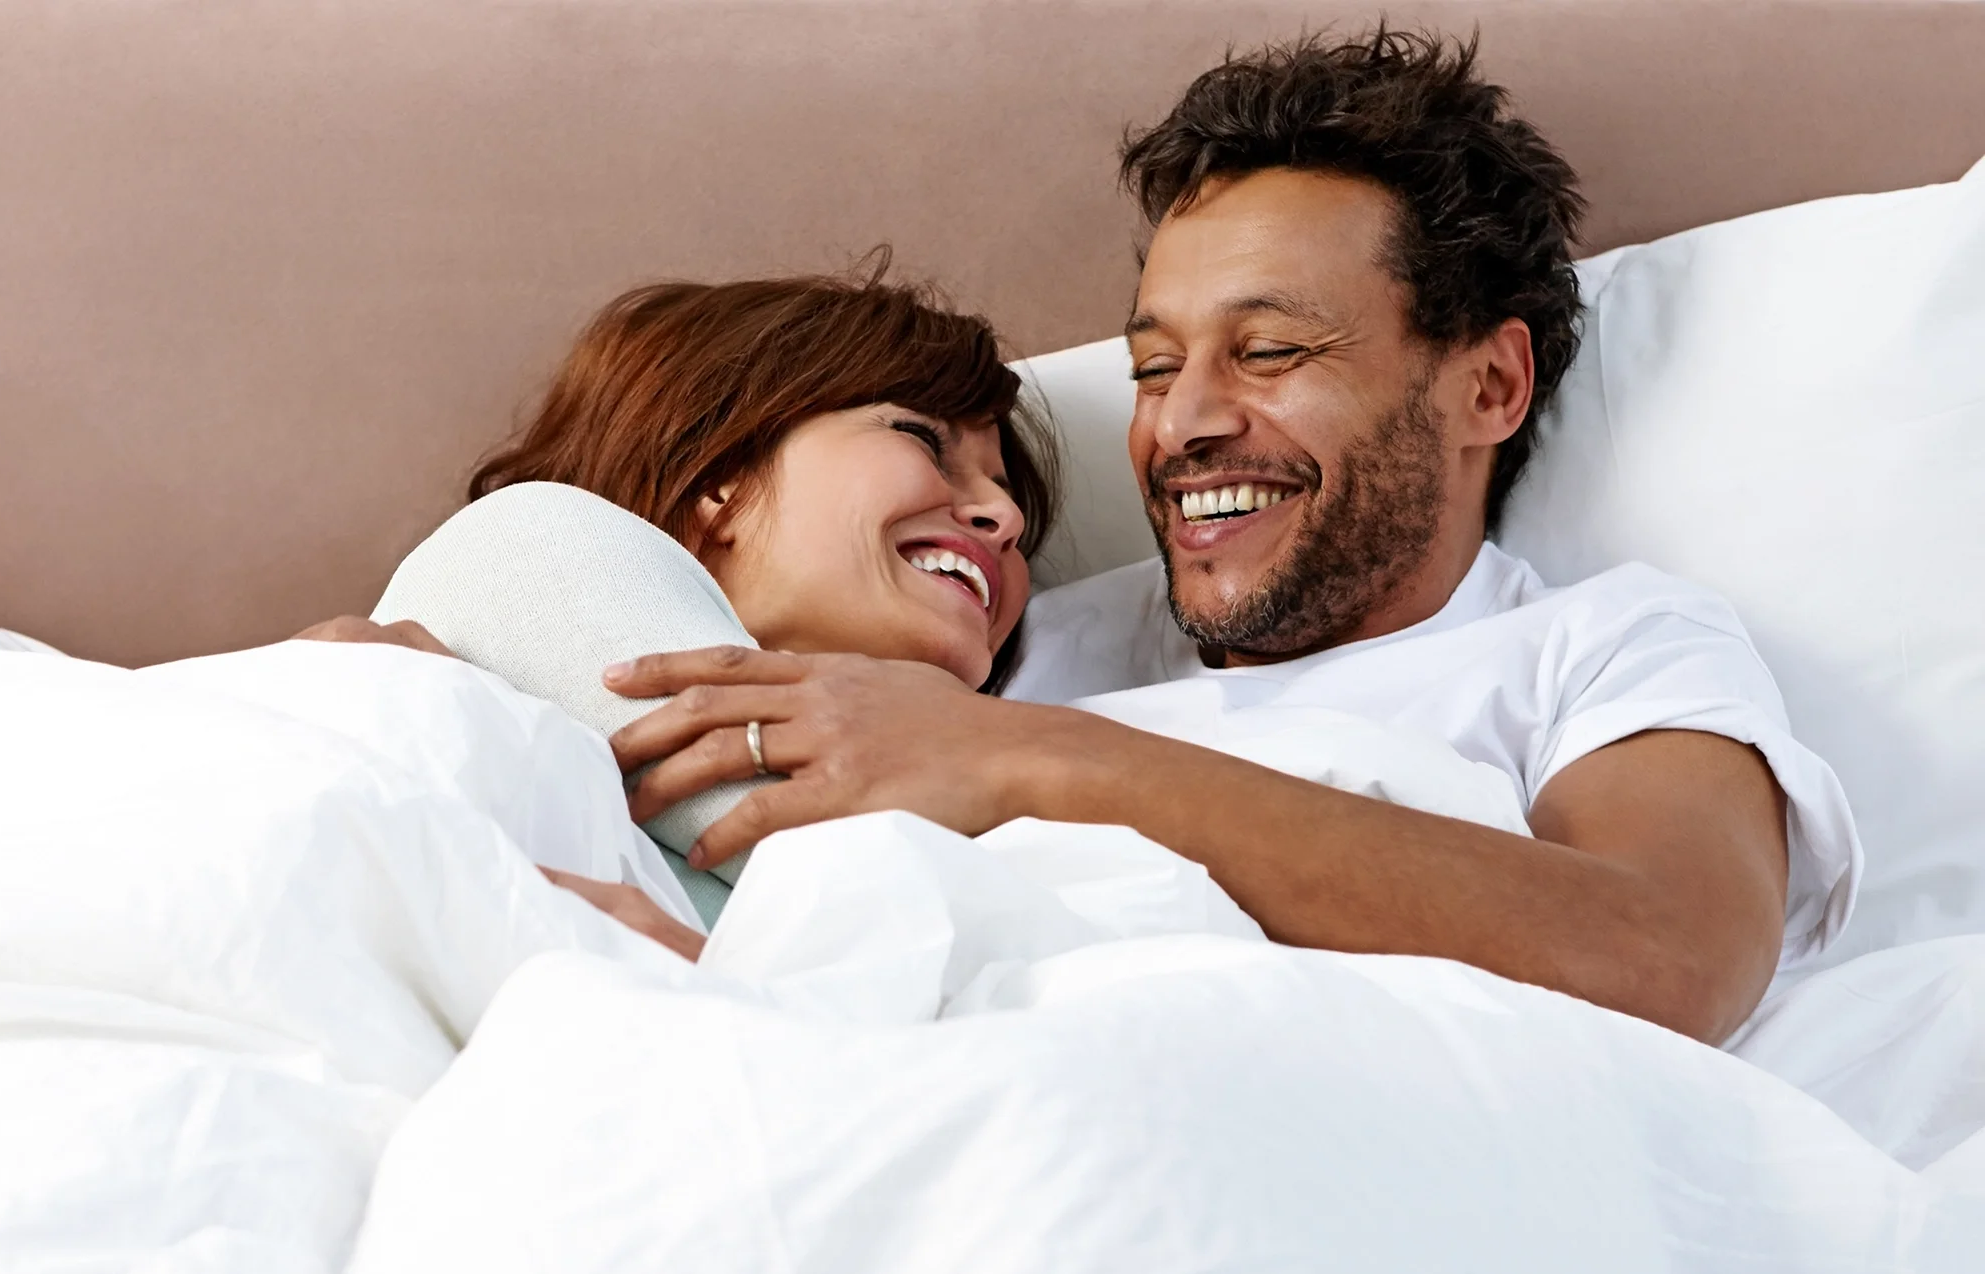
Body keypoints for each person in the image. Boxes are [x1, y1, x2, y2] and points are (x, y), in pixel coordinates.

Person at [591, 29, 1858, 1044]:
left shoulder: (1608, 649)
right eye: (1152, 367)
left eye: (1270, 351)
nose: (1182, 424)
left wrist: (1034, 763)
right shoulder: (997, 638)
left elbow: (1662, 958)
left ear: (1489, 387)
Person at [297, 266, 1061, 956]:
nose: (1004, 515)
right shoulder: (528, 544)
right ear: (721, 474)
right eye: (923, 440)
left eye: (1006, 491)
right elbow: (914, 924)